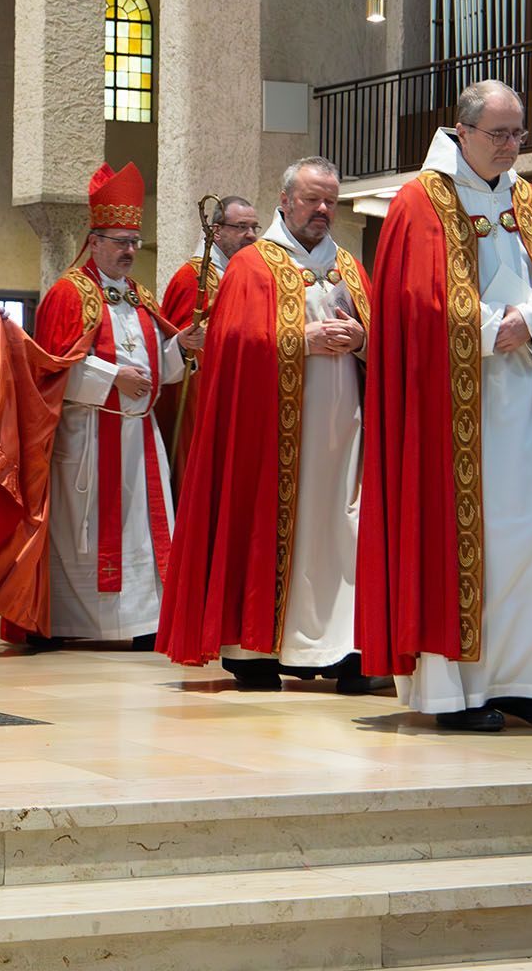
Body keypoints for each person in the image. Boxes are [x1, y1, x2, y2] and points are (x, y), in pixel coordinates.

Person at [356, 80, 532, 733]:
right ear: (461, 131)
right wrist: (491, 328)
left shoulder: (530, 200)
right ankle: (455, 691)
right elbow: (414, 304)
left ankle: (525, 682)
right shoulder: (420, 202)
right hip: (454, 414)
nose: (512, 147)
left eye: (519, 133)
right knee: (466, 545)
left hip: (527, 403)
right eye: (499, 134)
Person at [159, 156, 384, 695]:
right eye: (312, 199)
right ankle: (258, 648)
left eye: (330, 200)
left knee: (344, 533)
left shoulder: (351, 268)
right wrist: (299, 342)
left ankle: (346, 647)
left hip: (346, 434)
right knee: (272, 529)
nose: (323, 210)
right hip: (271, 438)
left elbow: (385, 343)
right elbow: (230, 347)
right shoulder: (252, 266)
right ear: (285, 200)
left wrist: (363, 340)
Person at [24, 163, 200, 650]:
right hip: (88, 435)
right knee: (83, 530)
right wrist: (111, 377)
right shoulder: (69, 293)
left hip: (138, 435)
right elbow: (50, 369)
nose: (128, 251)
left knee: (143, 528)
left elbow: (159, 374)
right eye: (119, 241)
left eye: (134, 242)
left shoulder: (138, 296)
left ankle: (141, 622)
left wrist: (181, 347)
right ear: (94, 240)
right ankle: (72, 623)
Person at [157, 195, 257, 464]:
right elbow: (177, 352)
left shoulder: (251, 276)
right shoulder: (192, 278)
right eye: (241, 227)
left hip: (243, 394)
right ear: (216, 231)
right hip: (203, 400)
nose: (251, 235)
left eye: (254, 228)